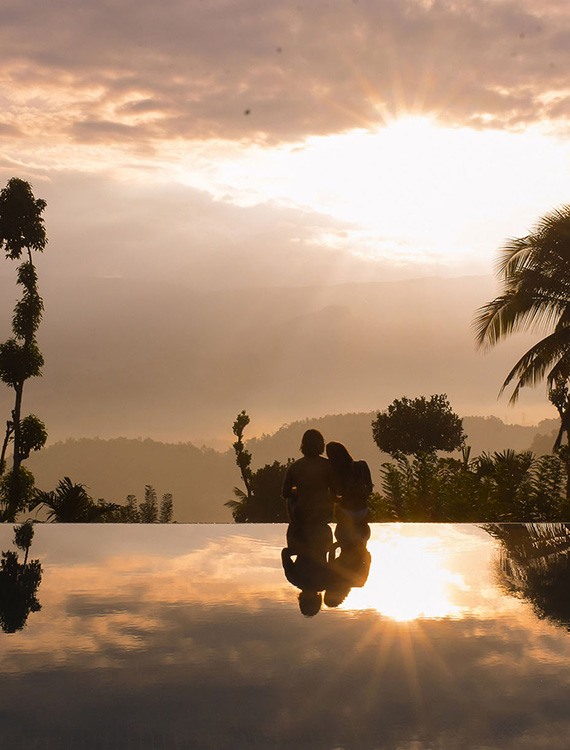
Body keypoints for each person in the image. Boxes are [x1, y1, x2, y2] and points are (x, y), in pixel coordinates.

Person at [282, 429, 337, 524]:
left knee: (290, 501)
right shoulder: (328, 466)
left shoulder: (295, 467)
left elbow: (285, 493)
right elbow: (335, 492)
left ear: (303, 445)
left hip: (301, 514)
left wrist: (299, 492)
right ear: (321, 445)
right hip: (322, 515)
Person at [325, 441, 373, 529]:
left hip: (344, 512)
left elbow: (333, 497)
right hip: (364, 511)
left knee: (344, 540)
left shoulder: (334, 473)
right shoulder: (362, 466)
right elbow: (370, 488)